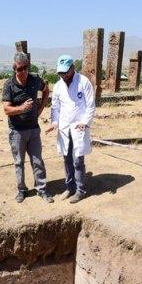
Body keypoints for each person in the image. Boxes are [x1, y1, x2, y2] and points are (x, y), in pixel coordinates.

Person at [2, 52, 50, 204]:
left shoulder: (35, 80)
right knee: (19, 162)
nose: (23, 72)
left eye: (25, 68)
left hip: (34, 129)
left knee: (37, 161)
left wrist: (41, 108)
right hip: (17, 131)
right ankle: (22, 190)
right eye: (19, 69)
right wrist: (22, 108)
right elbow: (7, 110)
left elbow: (46, 90)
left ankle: (41, 190)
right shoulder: (9, 85)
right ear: (14, 69)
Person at [46, 55, 95, 204]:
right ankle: (70, 187)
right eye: (60, 73)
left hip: (79, 126)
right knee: (67, 158)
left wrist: (85, 122)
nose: (63, 75)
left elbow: (91, 105)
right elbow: (55, 107)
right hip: (64, 128)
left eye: (65, 72)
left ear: (73, 68)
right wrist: (54, 122)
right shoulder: (58, 86)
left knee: (78, 160)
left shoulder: (83, 82)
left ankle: (80, 190)